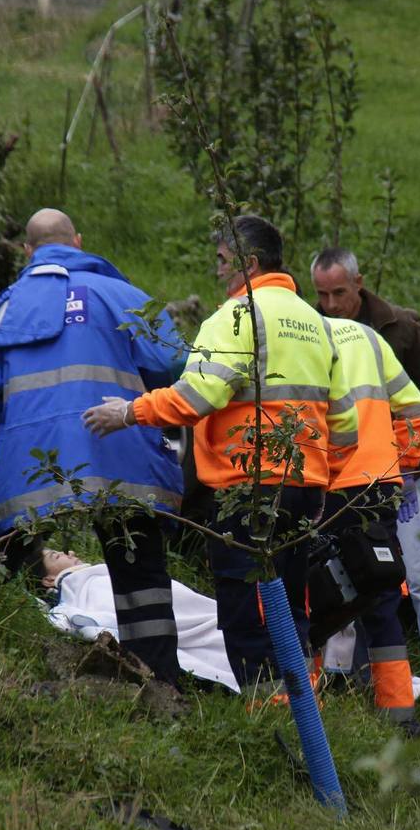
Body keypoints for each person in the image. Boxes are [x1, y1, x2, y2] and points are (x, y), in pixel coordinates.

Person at [84, 216, 358, 697]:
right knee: (289, 608)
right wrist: (316, 479)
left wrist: (129, 412)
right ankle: (302, 717)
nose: (218, 272)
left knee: (247, 613)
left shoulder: (236, 316)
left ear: (248, 264)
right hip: (302, 489)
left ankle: (267, 718)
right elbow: (346, 427)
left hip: (247, 491)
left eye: (223, 261)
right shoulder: (317, 324)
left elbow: (195, 398)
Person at [0, 208, 186, 686]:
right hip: (122, 456)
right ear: (78, 241)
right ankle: (160, 685)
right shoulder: (121, 295)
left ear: (27, 252)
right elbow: (175, 361)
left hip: (32, 469)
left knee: (11, 547)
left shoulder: (7, 309)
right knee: (141, 574)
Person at [311, 247, 420, 695]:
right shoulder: (316, 330)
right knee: (359, 582)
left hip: (394, 477)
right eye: (323, 294)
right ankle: (357, 677)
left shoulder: (398, 328)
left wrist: (407, 458)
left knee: (416, 576)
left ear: (358, 283)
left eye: (339, 292)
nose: (332, 303)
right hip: (365, 479)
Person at [320, 313, 420, 734]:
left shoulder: (296, 337)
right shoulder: (367, 336)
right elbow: (414, 407)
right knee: (382, 596)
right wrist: (405, 465)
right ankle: (400, 713)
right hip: (379, 485)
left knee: (317, 595)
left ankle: (312, 712)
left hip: (329, 488)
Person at [35, 548, 239, 693]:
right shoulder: (79, 587)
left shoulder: (96, 574)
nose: (68, 553)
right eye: (56, 556)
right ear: (48, 580)